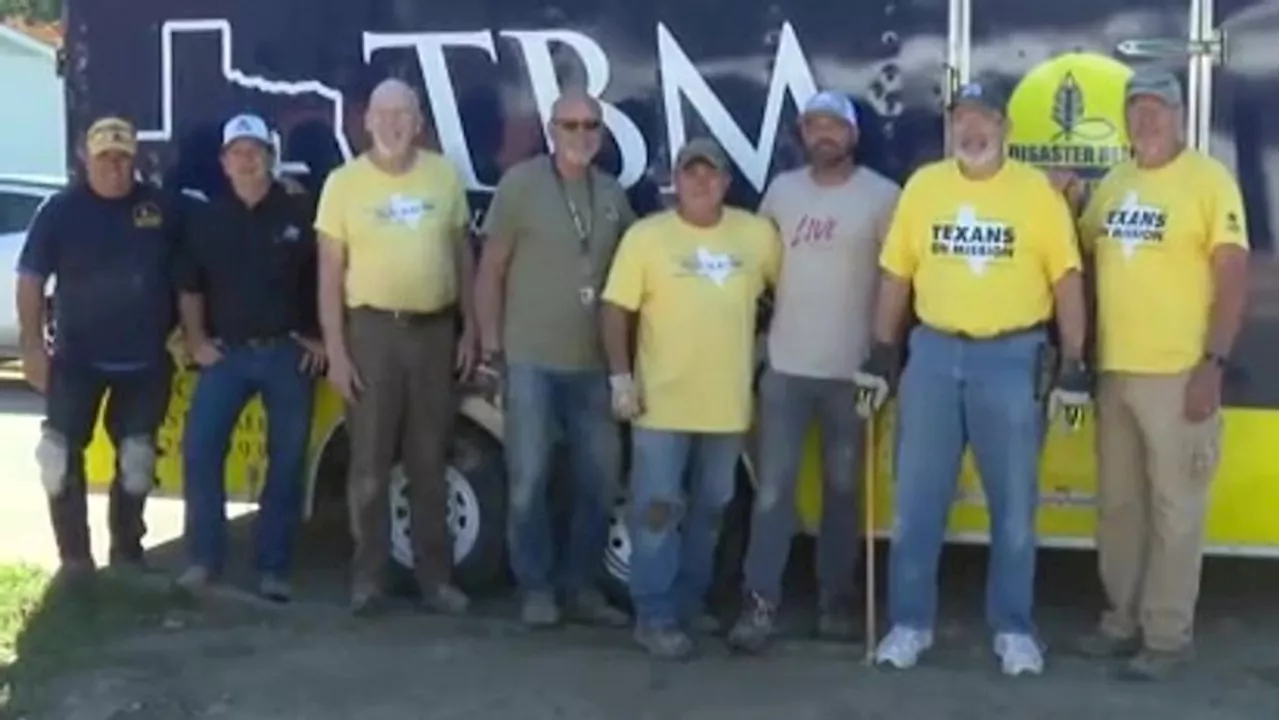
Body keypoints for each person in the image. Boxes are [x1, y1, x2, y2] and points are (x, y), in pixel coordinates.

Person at [853, 81, 1090, 676]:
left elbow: (1067, 281)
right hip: (931, 354)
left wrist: (1075, 364)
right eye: (962, 118)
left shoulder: (1037, 194)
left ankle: (1014, 630)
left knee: (1013, 507)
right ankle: (909, 626)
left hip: (1012, 357)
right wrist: (882, 354)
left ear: (1005, 129)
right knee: (916, 503)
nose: (972, 130)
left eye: (983, 119)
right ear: (951, 127)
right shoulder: (925, 187)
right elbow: (895, 277)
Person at [1055, 68, 1250, 681]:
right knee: (1119, 507)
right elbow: (1082, 252)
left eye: (1158, 108)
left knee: (1175, 509)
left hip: (1179, 373)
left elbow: (1234, 277)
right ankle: (1122, 622)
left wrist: (1212, 364)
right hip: (1116, 373)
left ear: (1181, 114)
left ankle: (1166, 638)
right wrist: (1068, 201)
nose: (1147, 119)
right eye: (1137, 109)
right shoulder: (1116, 181)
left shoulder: (1210, 182)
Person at [726, 91, 901, 653]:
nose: (823, 135)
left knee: (844, 492)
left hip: (852, 374)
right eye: (813, 126)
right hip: (786, 369)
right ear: (803, 135)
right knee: (773, 491)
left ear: (852, 134)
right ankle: (759, 603)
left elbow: (900, 281)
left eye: (834, 126)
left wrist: (883, 354)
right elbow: (757, 269)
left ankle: (836, 600)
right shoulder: (782, 193)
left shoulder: (883, 196)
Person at [600, 138, 781, 659]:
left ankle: (688, 604)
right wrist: (620, 380)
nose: (702, 183)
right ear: (674, 182)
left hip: (726, 409)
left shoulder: (755, 235)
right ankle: (653, 615)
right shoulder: (646, 238)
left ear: (727, 182)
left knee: (710, 513)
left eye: (712, 175)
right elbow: (615, 311)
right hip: (660, 407)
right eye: (691, 174)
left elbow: (791, 291)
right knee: (656, 511)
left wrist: (772, 347)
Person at [315, 78, 478, 615]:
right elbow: (329, 275)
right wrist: (337, 351)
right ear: (366, 121)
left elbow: (463, 257)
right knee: (369, 463)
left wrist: (470, 328)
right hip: (372, 333)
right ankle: (369, 581)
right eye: (382, 113)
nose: (392, 123)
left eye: (403, 113)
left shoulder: (443, 175)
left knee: (430, 460)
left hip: (434, 333)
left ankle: (437, 581)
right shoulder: (343, 184)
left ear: (418, 121)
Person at [475, 90, 635, 628]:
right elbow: (490, 271)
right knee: (528, 481)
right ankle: (536, 589)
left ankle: (581, 586)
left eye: (591, 124)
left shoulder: (612, 194)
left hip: (594, 366)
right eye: (570, 125)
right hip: (531, 362)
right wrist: (491, 349)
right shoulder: (520, 186)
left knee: (599, 480)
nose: (581, 134)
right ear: (551, 130)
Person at [16, 116, 179, 583]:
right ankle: (75, 563)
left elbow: (194, 273)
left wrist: (191, 329)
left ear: (135, 160)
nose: (114, 166)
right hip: (75, 360)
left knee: (137, 461)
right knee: (58, 457)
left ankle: (126, 555)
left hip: (144, 360)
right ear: (86, 158)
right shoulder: (59, 211)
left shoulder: (163, 209)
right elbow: (30, 280)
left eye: (122, 157)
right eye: (104, 156)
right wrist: (31, 346)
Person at [173, 113, 326, 603]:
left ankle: (273, 568)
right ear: (223, 161)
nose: (247, 159)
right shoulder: (207, 219)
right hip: (227, 357)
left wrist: (321, 337)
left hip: (286, 354)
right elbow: (190, 286)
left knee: (286, 463)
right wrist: (197, 341)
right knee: (199, 452)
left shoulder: (300, 214)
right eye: (237, 151)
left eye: (255, 151)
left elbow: (327, 278)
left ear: (271, 157)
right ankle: (203, 559)